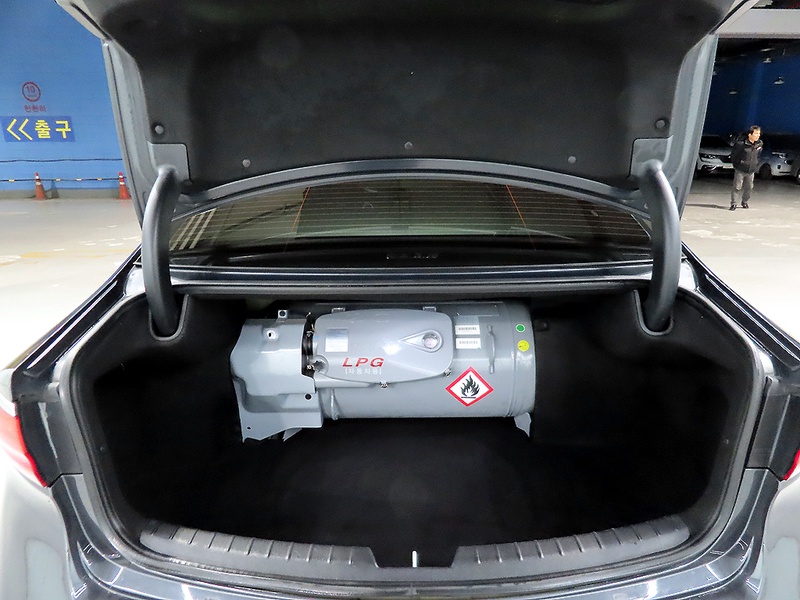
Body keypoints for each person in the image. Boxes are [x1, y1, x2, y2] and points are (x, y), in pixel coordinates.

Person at [730, 125, 763, 210]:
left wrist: (756, 164)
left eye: (759, 134)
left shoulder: (759, 144)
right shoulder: (741, 144)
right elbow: (733, 155)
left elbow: (758, 156)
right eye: (756, 134)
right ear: (750, 134)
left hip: (751, 170)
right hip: (740, 169)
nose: (758, 135)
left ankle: (744, 201)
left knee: (749, 187)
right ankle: (733, 203)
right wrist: (738, 164)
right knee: (737, 187)